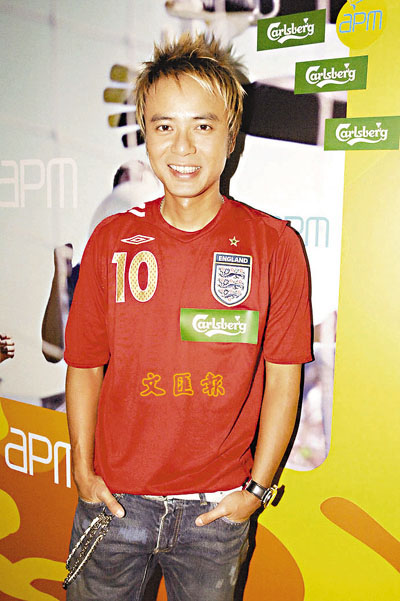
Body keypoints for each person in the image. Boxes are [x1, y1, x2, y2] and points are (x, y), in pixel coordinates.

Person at [64, 33, 312, 601]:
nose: (182, 147)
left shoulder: (275, 245)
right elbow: (83, 365)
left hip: (214, 517)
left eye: (202, 126)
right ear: (145, 133)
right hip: (114, 504)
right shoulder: (111, 240)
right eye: (163, 126)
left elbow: (284, 379)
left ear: (231, 135)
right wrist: (82, 470)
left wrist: (256, 490)